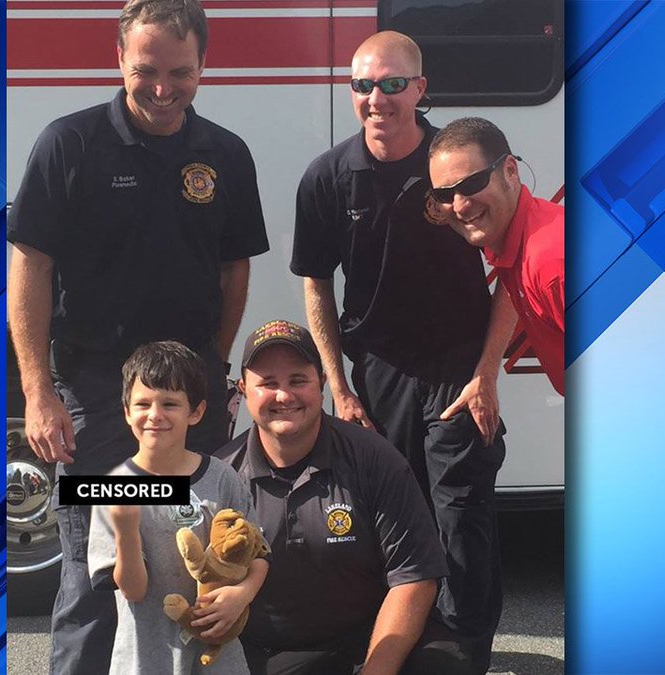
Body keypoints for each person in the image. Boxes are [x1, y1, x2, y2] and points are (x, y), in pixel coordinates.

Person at [6, 0, 269, 670]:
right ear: (118, 59)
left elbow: (233, 266)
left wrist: (212, 361)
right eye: (145, 68)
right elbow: (30, 265)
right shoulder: (69, 144)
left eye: (179, 71)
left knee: (194, 560)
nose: (162, 87)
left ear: (204, 66)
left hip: (187, 402)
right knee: (95, 570)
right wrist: (39, 390)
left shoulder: (227, 155)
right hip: (97, 398)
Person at [290, 30, 514, 670]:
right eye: (363, 85)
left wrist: (487, 370)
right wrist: (339, 387)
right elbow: (316, 284)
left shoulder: (453, 168)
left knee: (462, 518)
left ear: (420, 88)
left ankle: (469, 654)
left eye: (392, 84)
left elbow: (515, 268)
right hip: (378, 374)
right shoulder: (328, 177)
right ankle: (408, 649)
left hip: (457, 370)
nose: (376, 98)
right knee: (392, 519)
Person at [216, 320, 479, 675]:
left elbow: (415, 578)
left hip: (366, 638)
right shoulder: (221, 476)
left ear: (322, 384)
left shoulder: (375, 459)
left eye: (298, 380)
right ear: (244, 389)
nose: (284, 396)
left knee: (445, 665)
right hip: (275, 648)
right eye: (268, 383)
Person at [88, 341, 270, 675]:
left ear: (196, 412)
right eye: (143, 404)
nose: (155, 415)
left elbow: (259, 556)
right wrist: (126, 530)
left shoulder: (221, 476)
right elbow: (133, 590)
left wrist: (242, 595)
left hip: (219, 659)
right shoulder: (114, 488)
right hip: (145, 659)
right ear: (127, 411)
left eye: (170, 403)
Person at [428, 117, 565, 395]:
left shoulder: (550, 262)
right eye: (444, 194)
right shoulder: (512, 245)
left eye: (472, 184)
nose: (460, 206)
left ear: (510, 171)